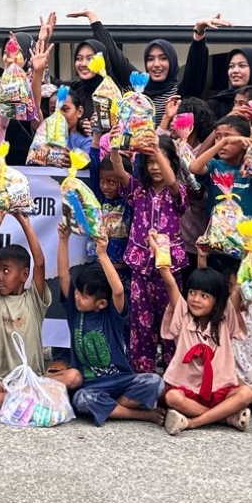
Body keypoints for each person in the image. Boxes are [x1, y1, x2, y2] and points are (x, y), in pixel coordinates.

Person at [54, 219, 166, 427]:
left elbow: (118, 291)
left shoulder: (112, 315)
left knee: (155, 382)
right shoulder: (74, 310)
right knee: (82, 400)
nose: (77, 297)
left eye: (84, 296)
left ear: (101, 303)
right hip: (90, 386)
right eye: (77, 292)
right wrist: (63, 240)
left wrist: (103, 254)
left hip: (121, 380)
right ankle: (140, 415)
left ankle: (112, 408)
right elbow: (62, 274)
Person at [100, 132, 189, 374]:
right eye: (149, 162)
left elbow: (171, 181)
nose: (155, 167)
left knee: (172, 318)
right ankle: (143, 373)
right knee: (141, 321)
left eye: (160, 161)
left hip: (169, 267)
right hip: (140, 267)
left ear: (172, 163)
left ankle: (174, 374)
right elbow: (119, 172)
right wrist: (116, 148)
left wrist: (157, 151)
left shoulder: (177, 191)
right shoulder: (138, 190)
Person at [156, 257, 252, 433]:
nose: (196, 299)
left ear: (217, 302)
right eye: (192, 293)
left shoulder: (225, 319)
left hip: (219, 389)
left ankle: (194, 422)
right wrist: (159, 250)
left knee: (247, 393)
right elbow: (170, 283)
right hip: (188, 390)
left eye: (204, 296)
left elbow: (236, 290)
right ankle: (226, 417)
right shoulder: (183, 316)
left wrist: (250, 256)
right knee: (172, 397)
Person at [0, 207, 51, 413]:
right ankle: (30, 403)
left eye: (6, 270)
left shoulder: (34, 300)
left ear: (24, 275)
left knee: (72, 377)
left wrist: (25, 223)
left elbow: (39, 263)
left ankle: (19, 401)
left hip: (29, 377)